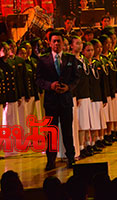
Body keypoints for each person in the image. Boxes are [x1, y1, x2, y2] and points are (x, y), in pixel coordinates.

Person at [36, 31, 80, 170]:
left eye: (58, 41)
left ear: (63, 43)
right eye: (54, 41)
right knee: (51, 132)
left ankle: (71, 157)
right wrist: (50, 85)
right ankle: (51, 160)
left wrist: (68, 87)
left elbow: (76, 78)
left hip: (65, 100)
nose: (56, 43)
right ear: (50, 43)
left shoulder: (70, 58)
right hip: (51, 101)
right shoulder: (43, 60)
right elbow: (38, 79)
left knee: (67, 131)